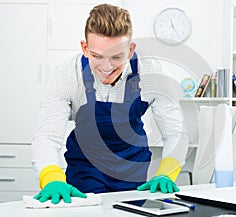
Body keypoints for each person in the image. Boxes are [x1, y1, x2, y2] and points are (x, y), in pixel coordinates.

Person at [32, 3, 188, 204]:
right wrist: (51, 177)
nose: (107, 67)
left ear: (131, 50)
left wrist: (167, 172)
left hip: (132, 173)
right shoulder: (67, 75)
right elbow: (46, 136)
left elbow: (175, 133)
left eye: (117, 57)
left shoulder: (152, 74)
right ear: (85, 48)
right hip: (85, 172)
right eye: (97, 56)